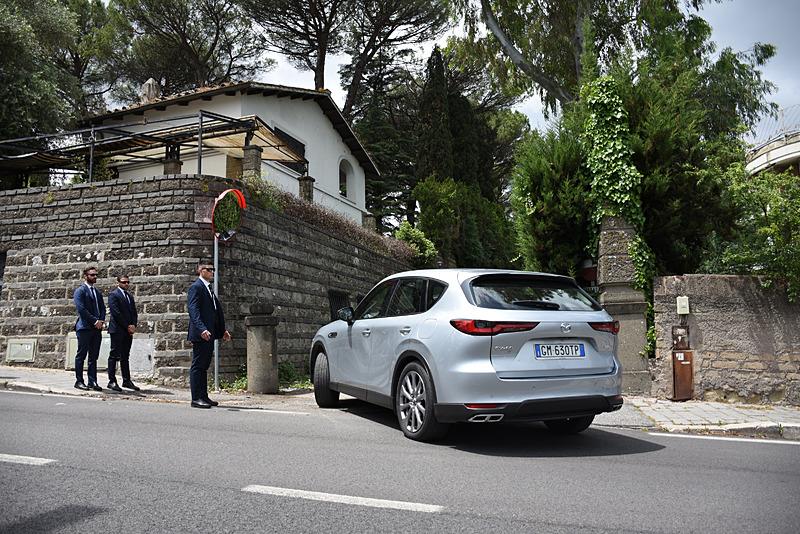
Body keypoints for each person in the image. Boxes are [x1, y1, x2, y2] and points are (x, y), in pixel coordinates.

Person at [186, 263, 230, 408]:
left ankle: (203, 396)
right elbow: (193, 310)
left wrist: (222, 330)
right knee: (197, 366)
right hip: (202, 334)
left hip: (209, 333)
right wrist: (201, 329)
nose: (212, 272)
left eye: (213, 270)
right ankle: (196, 398)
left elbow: (215, 312)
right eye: (209, 270)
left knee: (204, 367)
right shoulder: (196, 287)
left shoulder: (208, 289)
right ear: (200, 271)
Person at [73, 266, 105, 391]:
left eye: (96, 275)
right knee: (81, 355)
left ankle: (92, 381)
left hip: (97, 329)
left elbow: (102, 308)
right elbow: (81, 309)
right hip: (85, 328)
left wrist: (101, 321)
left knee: (93, 357)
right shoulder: (80, 291)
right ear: (85, 276)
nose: (95, 277)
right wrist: (95, 321)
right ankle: (79, 381)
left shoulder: (97, 292)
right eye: (92, 275)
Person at [107, 275, 140, 392]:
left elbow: (134, 312)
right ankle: (112, 380)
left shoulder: (129, 296)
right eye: (124, 282)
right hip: (117, 330)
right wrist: (127, 326)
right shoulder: (114, 295)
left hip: (128, 331)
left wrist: (133, 325)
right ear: (118, 283)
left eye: (128, 282)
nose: (126, 284)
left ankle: (126, 380)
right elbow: (116, 313)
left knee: (125, 356)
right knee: (114, 355)